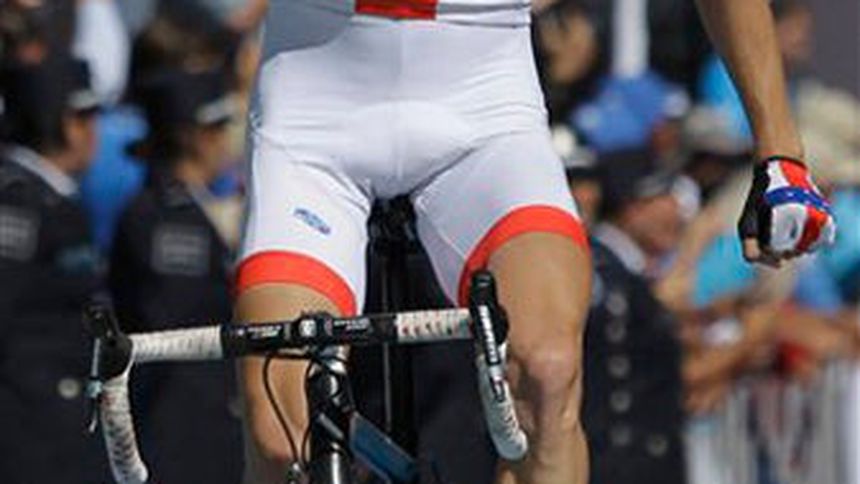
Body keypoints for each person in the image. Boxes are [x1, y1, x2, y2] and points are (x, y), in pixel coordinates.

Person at [235, 2, 834, 484]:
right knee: (283, 428)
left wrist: (780, 153)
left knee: (546, 374)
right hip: (313, 119)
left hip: (484, 111)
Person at [108, 68, 243, 484]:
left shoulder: (198, 207)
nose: (224, 140)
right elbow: (180, 319)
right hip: (179, 423)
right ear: (192, 136)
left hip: (213, 420)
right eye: (216, 127)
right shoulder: (156, 216)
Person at [0, 55, 108, 482]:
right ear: (65, 123)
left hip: (54, 420)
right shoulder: (18, 202)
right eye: (86, 117)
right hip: (25, 422)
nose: (95, 131)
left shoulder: (53, 198)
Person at [585, 150, 686, 484]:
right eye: (663, 196)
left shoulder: (627, 277)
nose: (677, 209)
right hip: (618, 468)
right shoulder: (603, 279)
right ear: (631, 207)